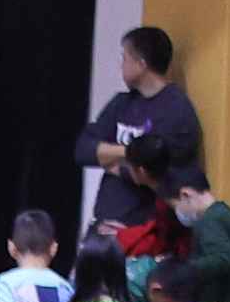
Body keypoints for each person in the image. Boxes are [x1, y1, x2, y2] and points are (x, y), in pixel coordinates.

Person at [75, 27, 200, 234]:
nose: (121, 65)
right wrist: (127, 152)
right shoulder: (122, 103)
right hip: (103, 227)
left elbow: (156, 170)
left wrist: (113, 162)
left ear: (141, 64)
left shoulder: (176, 111)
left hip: (144, 232)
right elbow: (83, 150)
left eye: (125, 58)